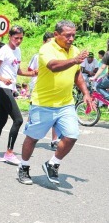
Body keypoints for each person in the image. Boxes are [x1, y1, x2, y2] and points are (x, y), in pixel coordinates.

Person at [19, 20, 93, 186]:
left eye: (74, 35)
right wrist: (74, 60)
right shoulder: (47, 49)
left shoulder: (74, 51)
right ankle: (23, 167)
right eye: (67, 35)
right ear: (56, 34)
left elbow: (77, 75)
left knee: (72, 135)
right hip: (42, 103)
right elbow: (53, 66)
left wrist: (86, 93)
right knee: (33, 138)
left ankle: (52, 163)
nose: (71, 38)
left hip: (66, 103)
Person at [0, 25, 35, 164]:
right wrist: (2, 79)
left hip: (9, 88)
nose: (18, 41)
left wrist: (31, 73)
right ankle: (9, 152)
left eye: (21, 38)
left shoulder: (17, 51)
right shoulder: (4, 51)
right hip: (2, 88)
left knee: (1, 121)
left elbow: (17, 70)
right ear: (9, 37)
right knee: (18, 120)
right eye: (16, 38)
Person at [28, 32, 59, 150]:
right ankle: (31, 136)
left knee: (55, 111)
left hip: (52, 87)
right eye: (49, 42)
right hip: (37, 87)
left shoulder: (57, 56)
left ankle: (54, 140)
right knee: (36, 113)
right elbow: (30, 70)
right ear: (44, 42)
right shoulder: (37, 56)